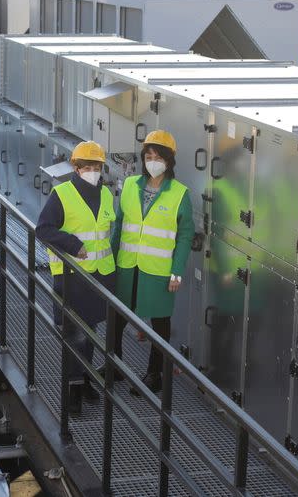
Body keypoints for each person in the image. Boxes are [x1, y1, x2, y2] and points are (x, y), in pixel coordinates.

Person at [109, 130, 195, 394]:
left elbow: (185, 234)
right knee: (117, 317)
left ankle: (155, 373)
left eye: (158, 156)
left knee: (159, 324)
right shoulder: (130, 184)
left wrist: (177, 271)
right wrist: (110, 262)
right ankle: (114, 364)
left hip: (158, 270)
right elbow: (120, 225)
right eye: (148, 156)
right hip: (126, 264)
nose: (152, 161)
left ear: (169, 161)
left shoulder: (179, 193)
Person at [36, 140, 117, 415]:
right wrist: (72, 245)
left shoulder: (106, 194)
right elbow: (43, 230)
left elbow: (106, 234)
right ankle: (71, 391)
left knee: (91, 334)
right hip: (72, 277)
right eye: (87, 165)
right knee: (75, 336)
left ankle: (84, 383)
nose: (93, 170)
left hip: (100, 277)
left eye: (97, 165)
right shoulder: (62, 194)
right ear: (76, 167)